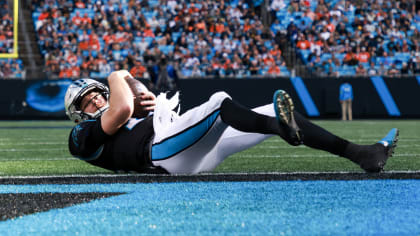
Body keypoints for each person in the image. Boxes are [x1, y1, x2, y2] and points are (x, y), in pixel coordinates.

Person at [64, 70, 399, 174]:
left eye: (96, 93)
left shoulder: (124, 114)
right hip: (162, 155)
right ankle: (280, 129)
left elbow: (129, 112)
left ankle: (361, 154)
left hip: (185, 153)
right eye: (87, 101)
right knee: (219, 102)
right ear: (78, 113)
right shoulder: (80, 135)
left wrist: (150, 108)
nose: (95, 99)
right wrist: (116, 74)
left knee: (270, 109)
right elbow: (120, 111)